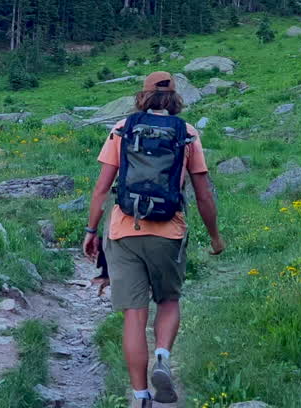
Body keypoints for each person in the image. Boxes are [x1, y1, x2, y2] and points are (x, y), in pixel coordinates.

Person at [82, 71, 224, 408]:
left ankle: (140, 396)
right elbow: (203, 195)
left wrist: (91, 231)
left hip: (124, 230)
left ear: (143, 96)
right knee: (168, 301)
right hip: (168, 230)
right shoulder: (187, 133)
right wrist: (215, 236)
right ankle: (162, 355)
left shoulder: (122, 128)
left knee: (134, 314)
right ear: (174, 98)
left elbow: (102, 188)